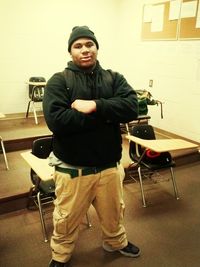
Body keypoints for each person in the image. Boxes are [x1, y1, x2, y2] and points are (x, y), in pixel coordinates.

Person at [43, 26, 140, 267]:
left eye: (89, 44)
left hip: (109, 166)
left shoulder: (113, 78)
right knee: (66, 218)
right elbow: (58, 122)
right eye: (78, 46)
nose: (85, 50)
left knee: (114, 213)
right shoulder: (59, 81)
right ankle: (61, 255)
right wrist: (108, 113)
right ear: (70, 51)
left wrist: (94, 105)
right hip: (73, 170)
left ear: (96, 47)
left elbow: (131, 108)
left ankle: (116, 242)